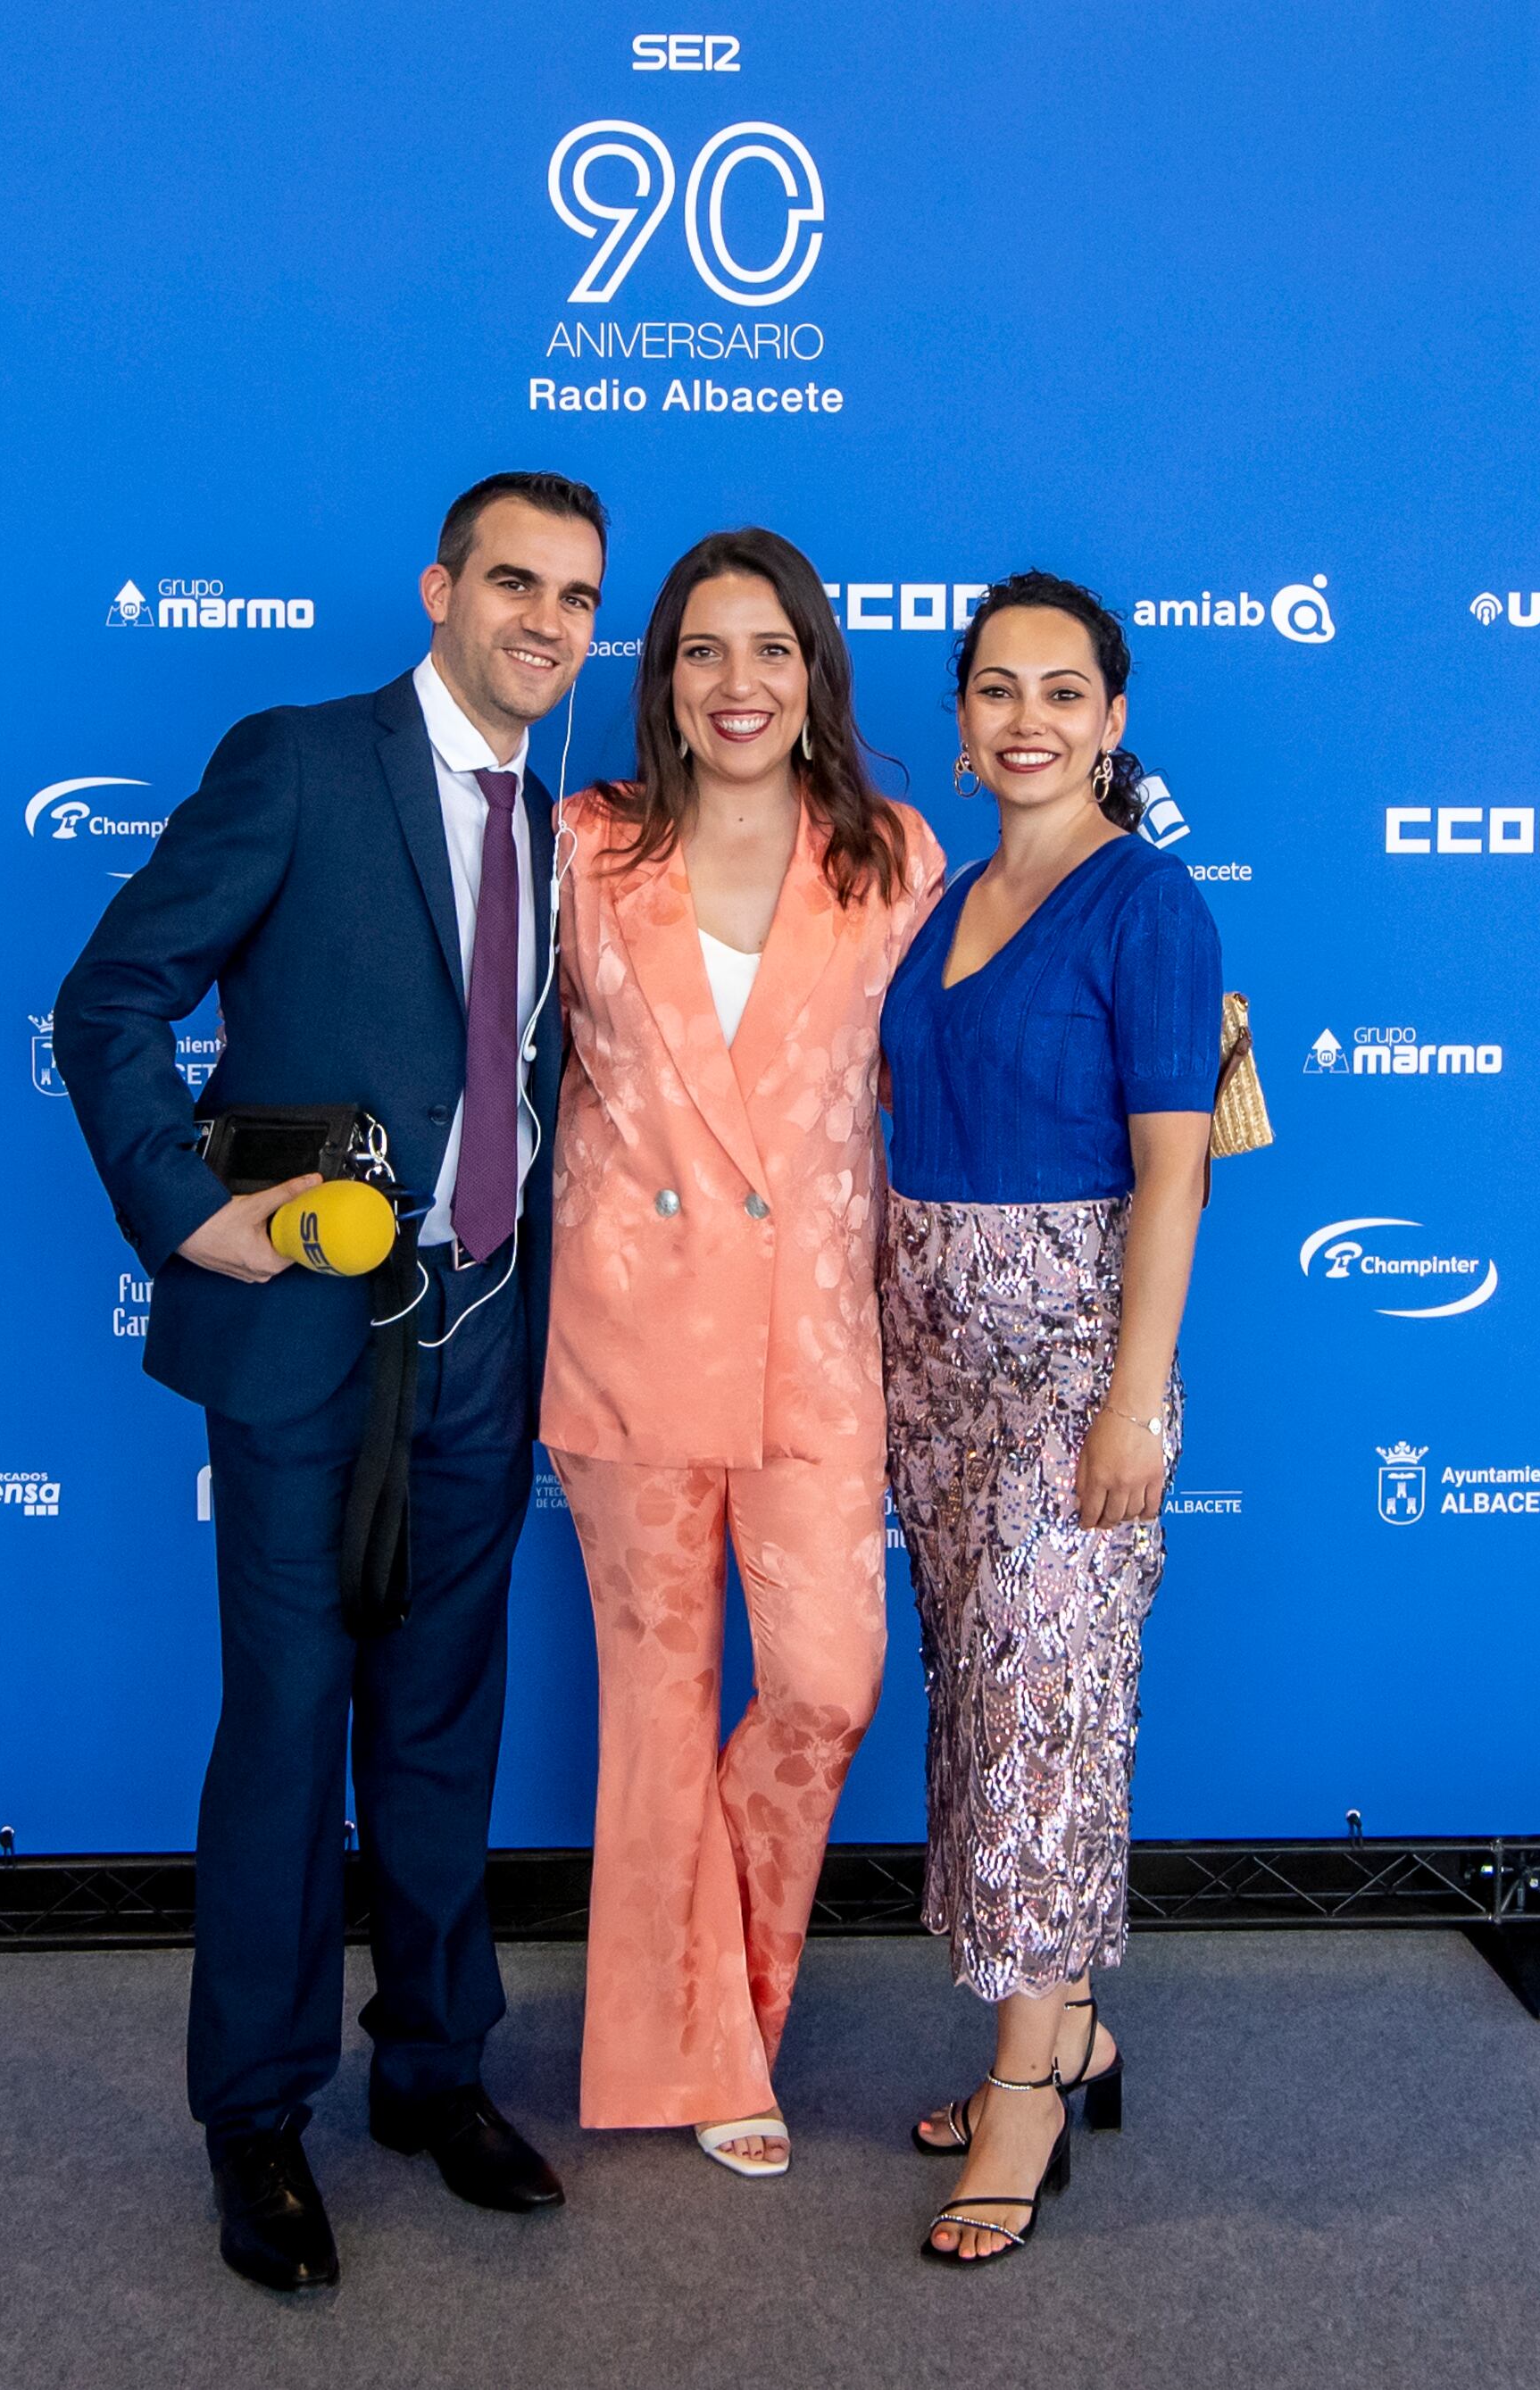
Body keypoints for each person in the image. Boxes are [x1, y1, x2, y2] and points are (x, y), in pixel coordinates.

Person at [53, 471, 604, 2294]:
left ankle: (433, 2071)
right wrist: (190, 1210)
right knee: (289, 1725)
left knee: (444, 1719)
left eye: (576, 595)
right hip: (302, 1344)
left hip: (485, 1338)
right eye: (511, 580)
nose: (544, 617)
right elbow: (110, 993)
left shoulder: (569, 823)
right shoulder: (299, 758)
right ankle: (259, 2116)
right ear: (440, 587)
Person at [541, 529, 945, 2178]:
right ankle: (691, 2056)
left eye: (768, 650)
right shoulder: (583, 845)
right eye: (702, 651)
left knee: (825, 1681)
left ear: (814, 673)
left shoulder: (893, 857)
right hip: (627, 1333)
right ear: (661, 679)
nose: (736, 684)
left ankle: (727, 1996)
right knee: (652, 1705)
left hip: (815, 1345)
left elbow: (957, 1051)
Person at [876, 570, 1220, 2265]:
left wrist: (1135, 1401)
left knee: (1043, 1713)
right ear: (957, 724)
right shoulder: (939, 897)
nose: (1026, 719)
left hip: (1074, 1360)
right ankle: (1065, 2021)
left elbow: (1172, 1174)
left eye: (1061, 691)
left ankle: (1026, 2094)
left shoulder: (1147, 905)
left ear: (1113, 716)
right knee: (987, 1703)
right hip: (923, 1359)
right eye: (995, 690)